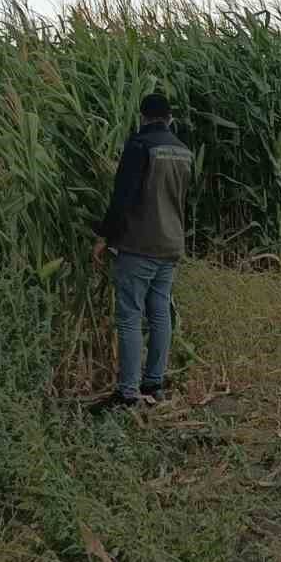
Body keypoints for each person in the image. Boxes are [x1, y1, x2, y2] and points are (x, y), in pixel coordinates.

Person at [90, 92, 193, 410]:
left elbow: (123, 196)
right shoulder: (183, 151)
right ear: (169, 118)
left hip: (140, 244)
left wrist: (104, 236)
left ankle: (127, 393)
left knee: (130, 316)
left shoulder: (140, 146)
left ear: (143, 117)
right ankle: (155, 384)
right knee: (161, 313)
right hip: (171, 243)